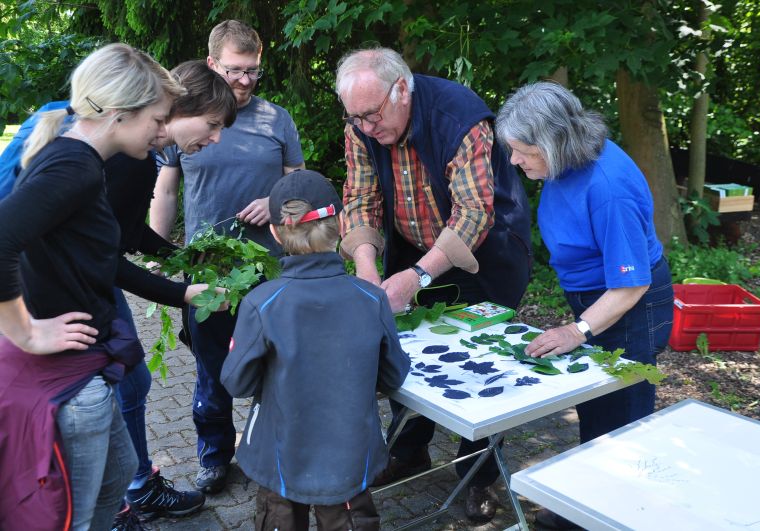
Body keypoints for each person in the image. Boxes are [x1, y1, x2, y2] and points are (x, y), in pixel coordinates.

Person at [0, 61, 238, 529]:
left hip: (89, 362)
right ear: (120, 113)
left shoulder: (86, 161)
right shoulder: (77, 165)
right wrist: (24, 333)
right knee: (76, 517)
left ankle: (136, 496)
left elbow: (105, 246)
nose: (160, 131)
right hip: (68, 378)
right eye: (157, 118)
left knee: (112, 490)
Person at [335, 47, 532, 523]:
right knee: (413, 352)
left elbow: (474, 213)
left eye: (372, 114)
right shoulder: (363, 125)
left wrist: (419, 275)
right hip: (410, 250)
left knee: (482, 364)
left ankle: (479, 475)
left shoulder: (459, 118)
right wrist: (367, 269)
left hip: (486, 258)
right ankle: (409, 451)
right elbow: (360, 199)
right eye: (355, 117)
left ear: (402, 89)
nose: (365, 127)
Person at [495, 81, 674, 530]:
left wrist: (576, 331)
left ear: (552, 144)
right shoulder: (565, 161)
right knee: (597, 407)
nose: (514, 161)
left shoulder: (607, 189)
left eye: (521, 152)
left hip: (630, 306)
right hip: (599, 299)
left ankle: (610, 516)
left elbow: (630, 286)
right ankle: (588, 508)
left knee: (622, 422)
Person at [150, 19, 305, 495]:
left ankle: (276, 449)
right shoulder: (188, 114)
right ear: (212, 63)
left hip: (271, 268)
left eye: (253, 71)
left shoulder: (276, 119)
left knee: (278, 363)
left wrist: (276, 202)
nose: (244, 80)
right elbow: (167, 188)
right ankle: (215, 457)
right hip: (207, 268)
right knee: (212, 368)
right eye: (236, 70)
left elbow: (299, 184)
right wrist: (156, 255)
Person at [220, 169, 410, 531]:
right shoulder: (372, 298)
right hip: (350, 458)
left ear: (275, 231)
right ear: (340, 223)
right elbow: (394, 375)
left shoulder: (262, 302)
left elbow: (237, 382)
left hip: (279, 456)